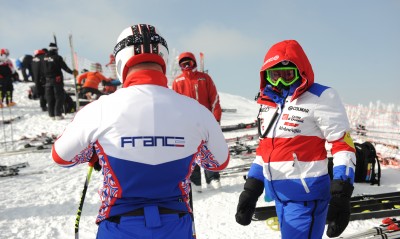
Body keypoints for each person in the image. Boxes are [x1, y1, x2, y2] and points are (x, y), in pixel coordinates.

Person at [51, 23, 229, 239]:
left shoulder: (100, 108)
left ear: (120, 60)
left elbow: (61, 156)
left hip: (120, 225)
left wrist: (96, 152)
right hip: (175, 224)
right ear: (162, 57)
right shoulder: (197, 110)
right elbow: (218, 162)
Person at [235, 40, 356, 239]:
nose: (281, 82)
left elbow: (342, 145)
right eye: (275, 76)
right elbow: (265, 150)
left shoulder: (321, 97)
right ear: (266, 77)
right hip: (281, 196)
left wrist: (341, 192)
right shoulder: (269, 104)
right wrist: (252, 188)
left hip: (306, 198)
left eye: (288, 74)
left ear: (301, 71)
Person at [172, 52, 223, 192]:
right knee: (191, 151)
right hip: (188, 123)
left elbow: (214, 100)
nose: (187, 66)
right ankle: (195, 182)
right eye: (183, 64)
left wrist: (216, 119)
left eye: (189, 62)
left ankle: (213, 177)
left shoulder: (204, 78)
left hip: (205, 121)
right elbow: (174, 104)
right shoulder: (178, 81)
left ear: (194, 62)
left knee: (208, 149)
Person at [43, 42, 77, 120]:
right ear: (55, 49)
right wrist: (72, 72)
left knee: (50, 98)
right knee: (59, 97)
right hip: (56, 81)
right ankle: (58, 114)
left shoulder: (44, 58)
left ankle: (51, 115)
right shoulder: (57, 57)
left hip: (47, 81)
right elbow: (64, 67)